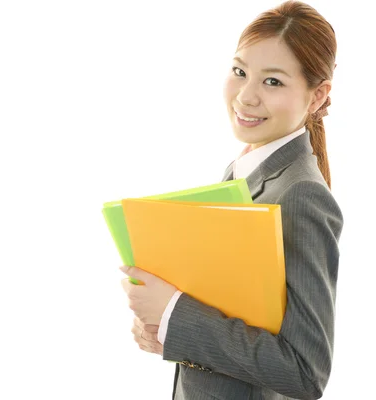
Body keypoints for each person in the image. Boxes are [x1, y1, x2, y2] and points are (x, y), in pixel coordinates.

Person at [119, 1, 343, 399]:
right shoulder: (245, 168)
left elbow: (305, 372)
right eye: (240, 72)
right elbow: (238, 320)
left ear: (317, 96)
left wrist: (174, 312)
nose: (246, 97)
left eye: (272, 82)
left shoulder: (302, 195)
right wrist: (165, 332)